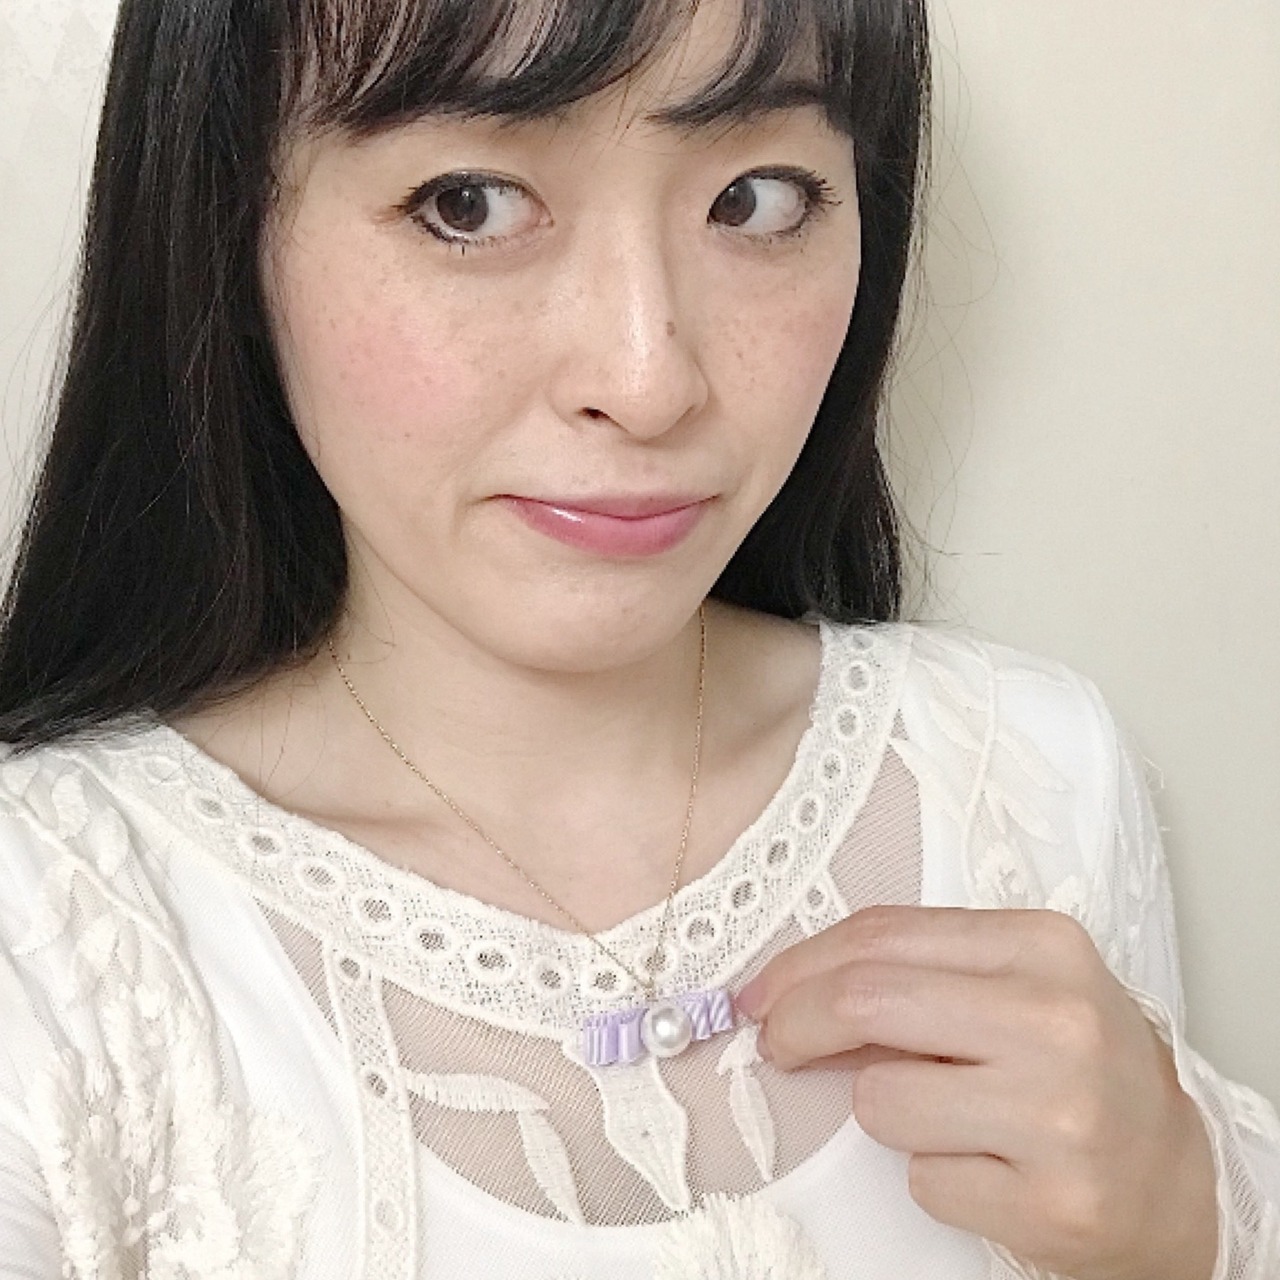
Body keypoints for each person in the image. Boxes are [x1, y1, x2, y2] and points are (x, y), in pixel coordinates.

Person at [0, 0, 1275, 1276]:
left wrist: (1188, 1222)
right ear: (228, 230)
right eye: (468, 205)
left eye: (753, 200)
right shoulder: (51, 938)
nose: (646, 376)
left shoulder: (1022, 780)